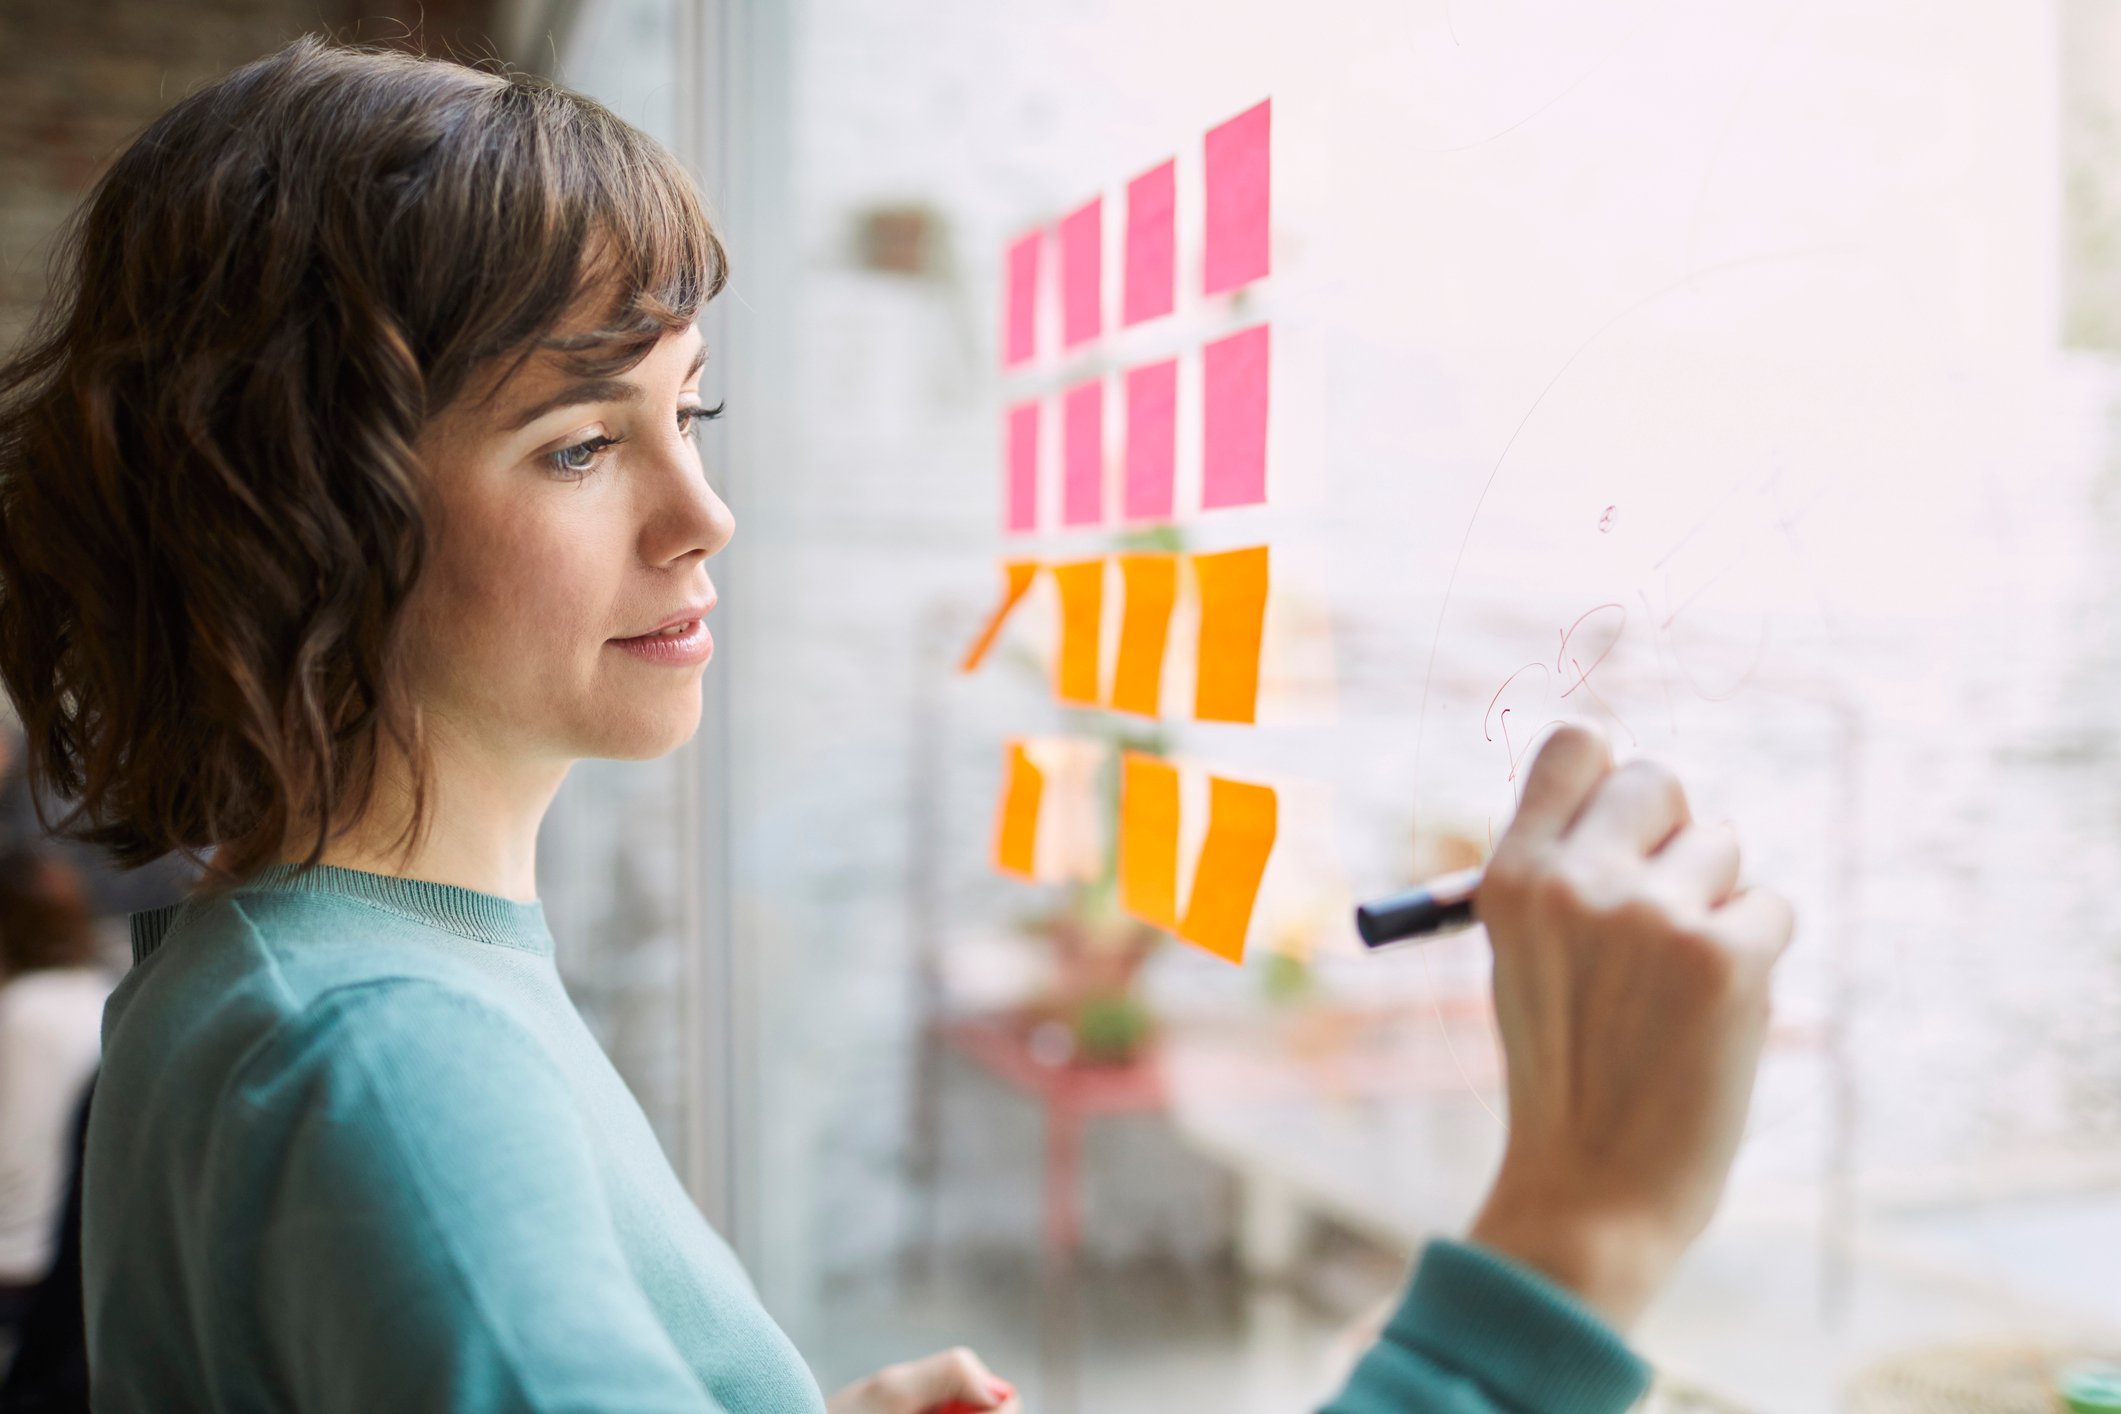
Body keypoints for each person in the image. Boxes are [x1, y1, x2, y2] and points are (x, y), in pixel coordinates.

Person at [0, 35, 1793, 1414]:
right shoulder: (391, 1067)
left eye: (691, 411)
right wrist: (1577, 1236)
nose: (704, 516)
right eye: (576, 441)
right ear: (295, 513)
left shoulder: (270, 975)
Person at [0, 846, 108, 1352]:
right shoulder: (98, 990)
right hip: (72, 1263)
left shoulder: (26, 1012)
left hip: (20, 1262)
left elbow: (13, 1166)